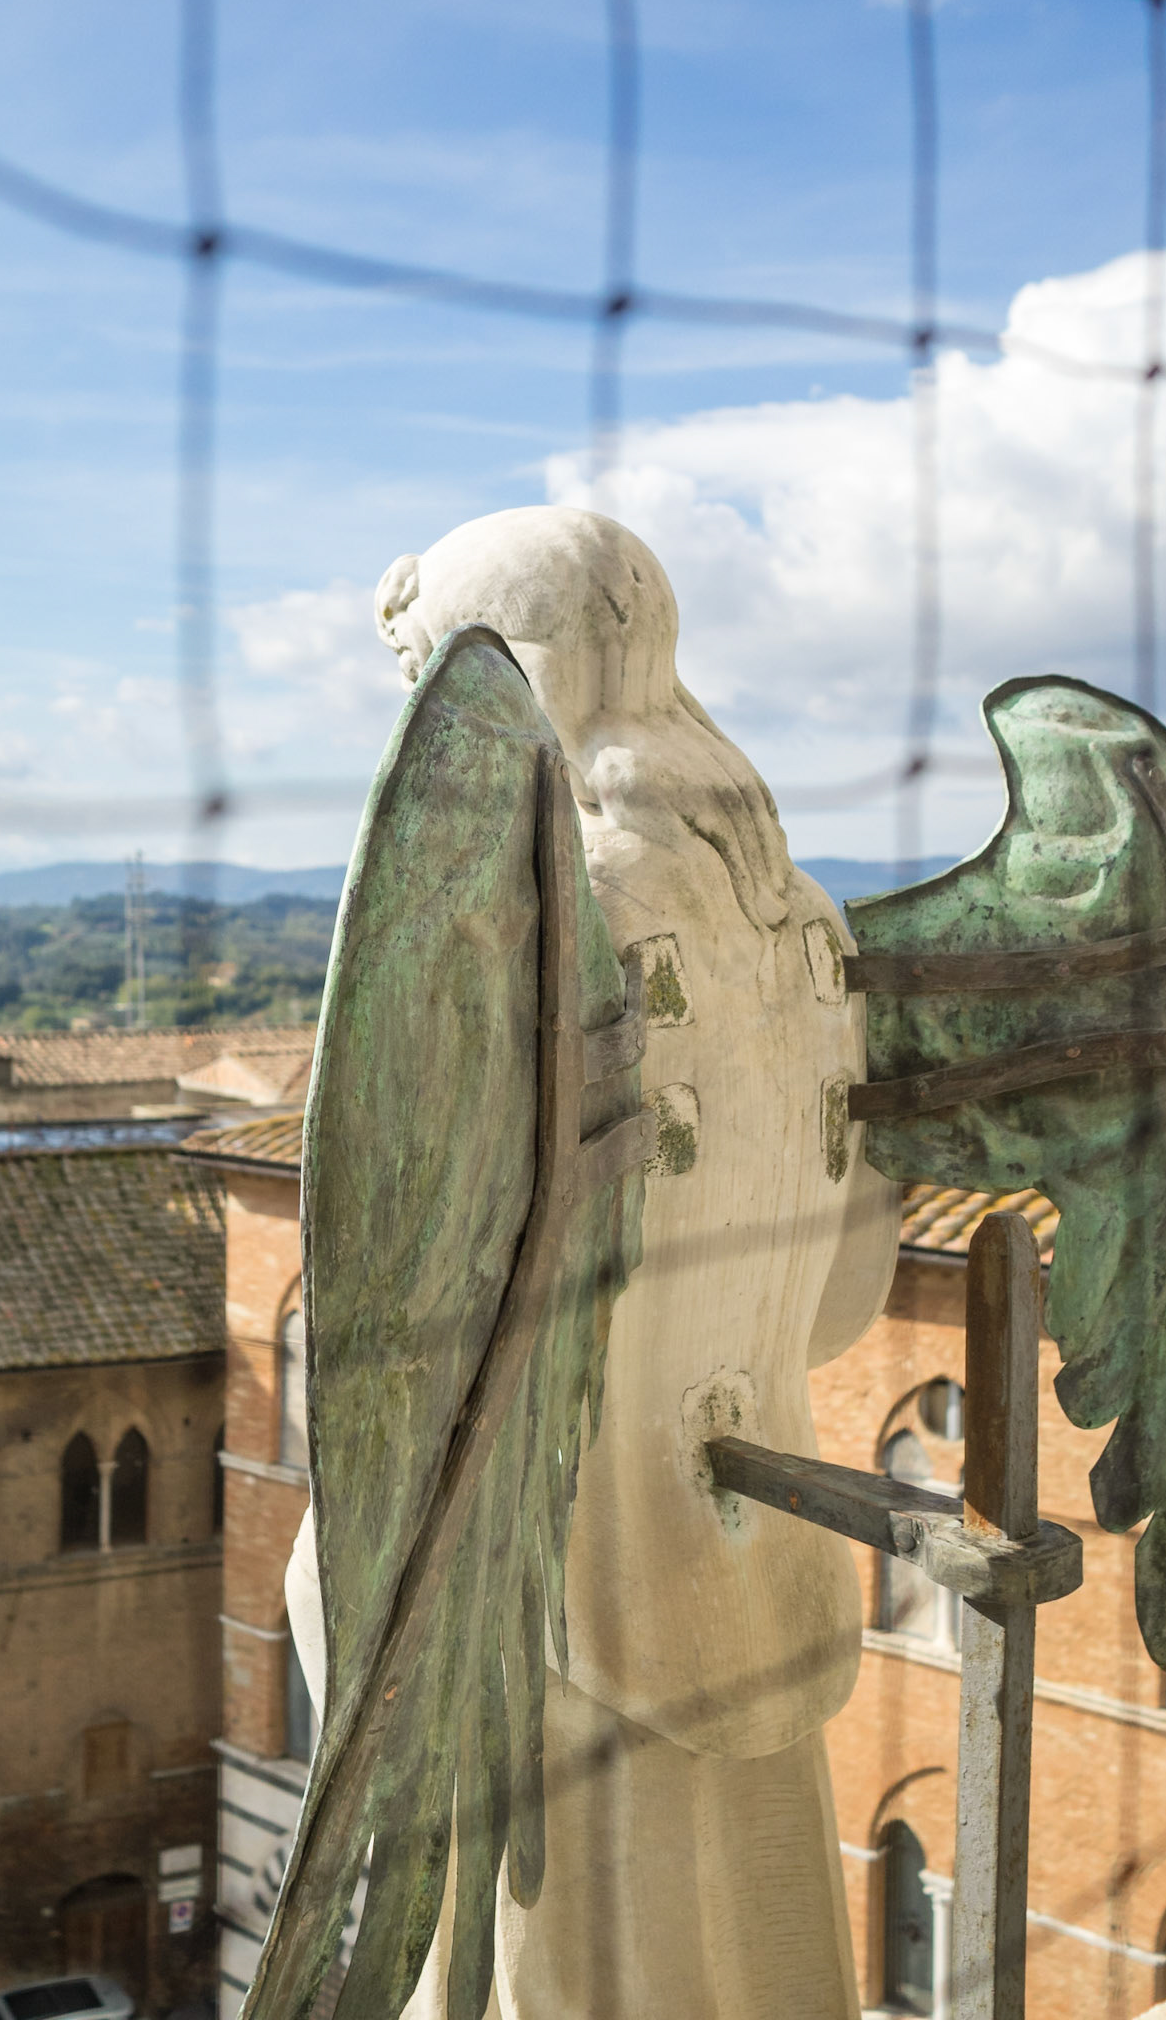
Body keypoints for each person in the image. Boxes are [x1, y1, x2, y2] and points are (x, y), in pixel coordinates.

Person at [288, 504, 899, 2018]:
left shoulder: (527, 926)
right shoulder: (806, 924)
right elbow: (845, 1300)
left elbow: (417, 1351)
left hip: (546, 1609)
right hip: (749, 1585)